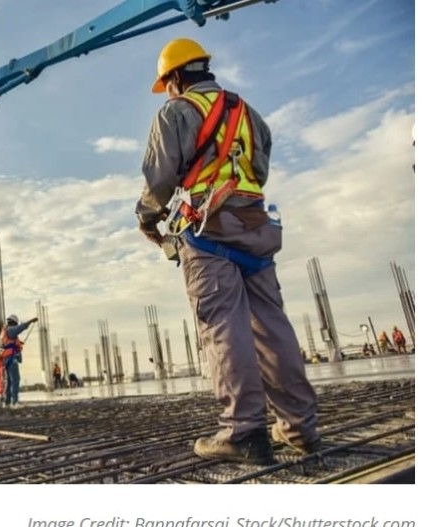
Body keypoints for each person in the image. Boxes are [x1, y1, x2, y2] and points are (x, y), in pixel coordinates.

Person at [135, 38, 320, 464]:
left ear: (176, 76)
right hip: (254, 226)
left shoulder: (176, 112)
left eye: (166, 83)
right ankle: (301, 428)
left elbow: (160, 179)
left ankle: (245, 432)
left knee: (223, 327)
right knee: (272, 326)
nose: (166, 91)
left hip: (207, 231)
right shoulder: (249, 114)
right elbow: (258, 170)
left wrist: (146, 218)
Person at [0, 314, 37, 408]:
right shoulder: (10, 330)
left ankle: (7, 402)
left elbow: (10, 343)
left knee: (10, 381)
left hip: (7, 359)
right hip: (11, 359)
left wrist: (17, 346)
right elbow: (20, 328)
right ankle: (14, 402)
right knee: (15, 380)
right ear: (13, 323)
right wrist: (30, 321)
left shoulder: (5, 331)